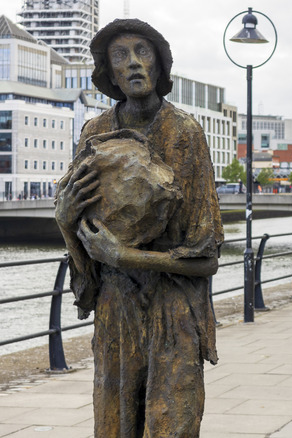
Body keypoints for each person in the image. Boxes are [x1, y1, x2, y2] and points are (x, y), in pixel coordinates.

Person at [54, 19, 223, 437]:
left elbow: (206, 260)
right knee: (114, 426)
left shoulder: (185, 133)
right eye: (120, 56)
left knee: (172, 425)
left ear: (160, 65)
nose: (133, 64)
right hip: (116, 309)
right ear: (109, 73)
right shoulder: (95, 132)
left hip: (174, 307)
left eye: (142, 52)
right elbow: (85, 240)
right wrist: (63, 221)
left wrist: (124, 255)